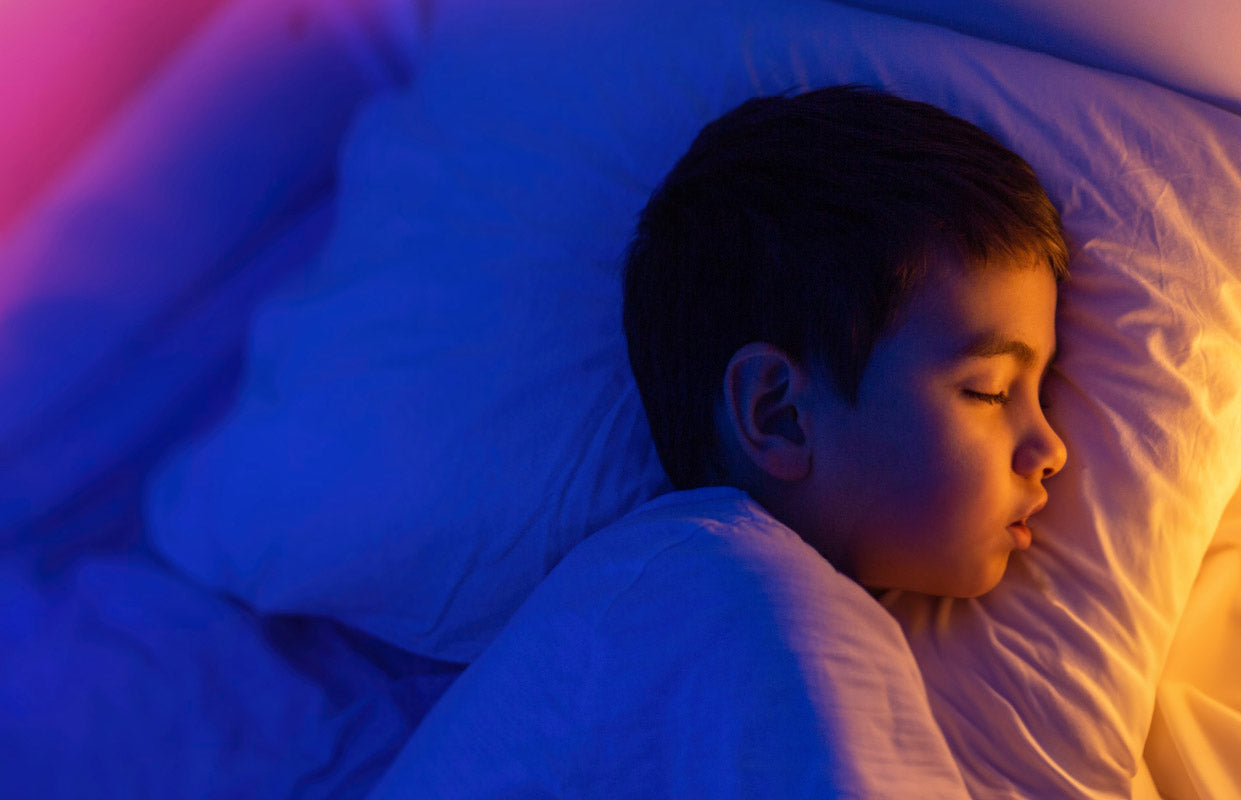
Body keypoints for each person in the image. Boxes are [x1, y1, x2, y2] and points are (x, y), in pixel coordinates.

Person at [371, 84, 1070, 798]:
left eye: (1043, 390)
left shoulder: (664, 583)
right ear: (779, 414)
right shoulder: (770, 609)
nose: (1051, 446)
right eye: (988, 389)